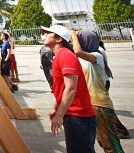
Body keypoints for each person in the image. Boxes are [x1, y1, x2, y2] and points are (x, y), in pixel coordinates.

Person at [41, 25, 96, 153]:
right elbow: (62, 88)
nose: (45, 35)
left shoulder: (66, 56)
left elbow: (71, 88)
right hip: (72, 115)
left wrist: (59, 115)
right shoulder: (59, 56)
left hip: (79, 117)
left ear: (59, 39)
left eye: (49, 33)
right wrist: (55, 107)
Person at [71, 30, 125, 153]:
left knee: (110, 142)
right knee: (101, 139)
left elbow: (78, 52)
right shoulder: (83, 58)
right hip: (89, 103)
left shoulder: (97, 55)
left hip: (100, 104)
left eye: (80, 39)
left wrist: (74, 36)